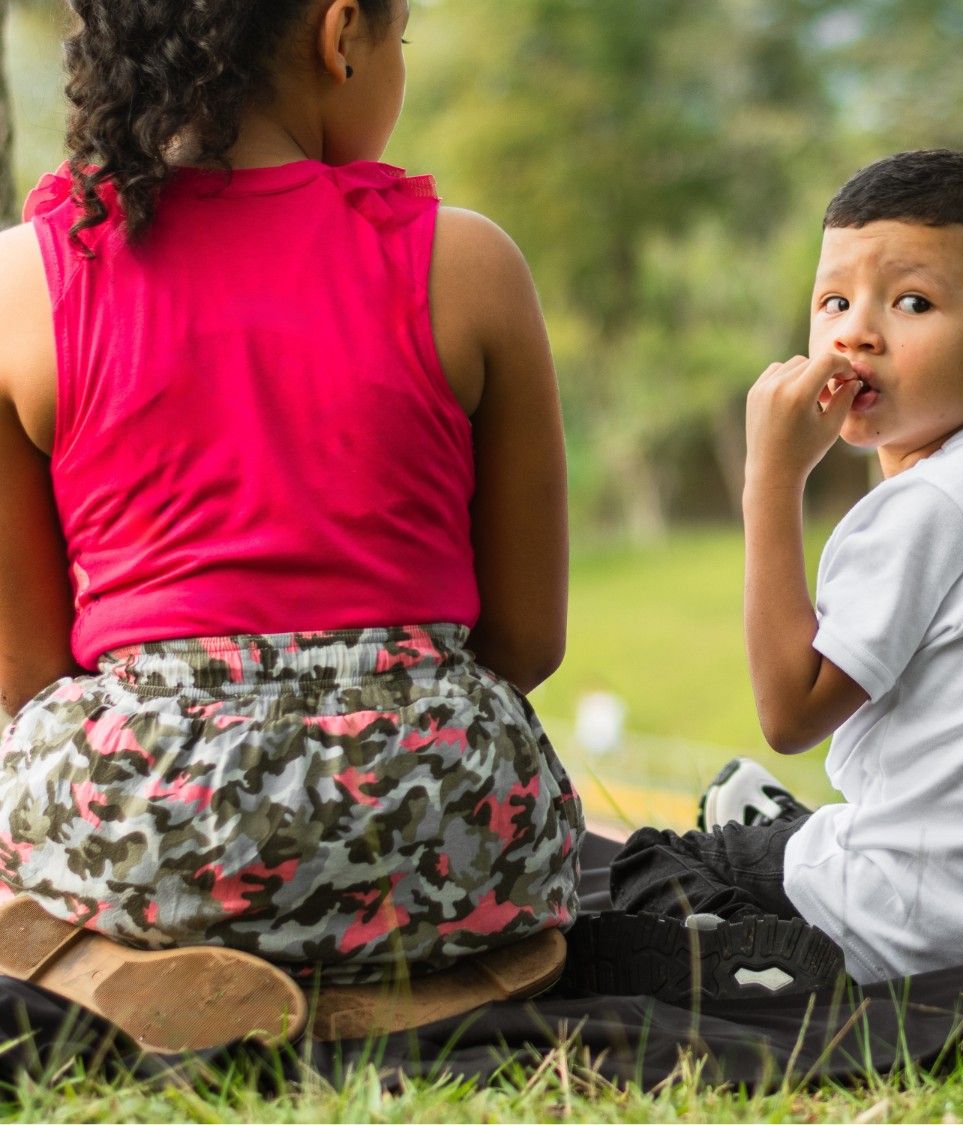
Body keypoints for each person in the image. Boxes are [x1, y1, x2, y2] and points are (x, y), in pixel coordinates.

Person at [0, 0, 582, 1051]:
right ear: (342, 32)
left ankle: (94, 967)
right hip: (448, 833)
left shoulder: (19, 286)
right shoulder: (470, 263)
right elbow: (528, 644)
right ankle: (418, 983)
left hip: (152, 841)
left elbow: (27, 670)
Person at [608, 149, 963, 987]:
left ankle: (783, 961)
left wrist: (771, 480)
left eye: (913, 302)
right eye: (835, 302)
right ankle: (786, 835)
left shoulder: (927, 507)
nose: (856, 332)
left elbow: (789, 714)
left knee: (644, 869)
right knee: (749, 826)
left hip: (938, 925)